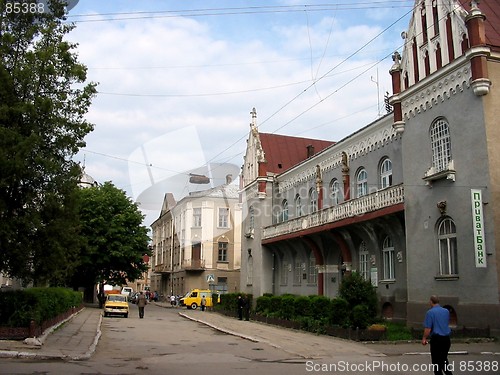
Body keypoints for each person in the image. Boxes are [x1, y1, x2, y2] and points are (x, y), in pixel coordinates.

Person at [422, 295, 453, 375]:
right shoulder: (446, 311)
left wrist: (424, 338)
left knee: (436, 363)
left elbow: (428, 328)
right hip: (446, 339)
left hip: (437, 340)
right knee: (443, 360)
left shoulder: (430, 312)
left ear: (431, 301)